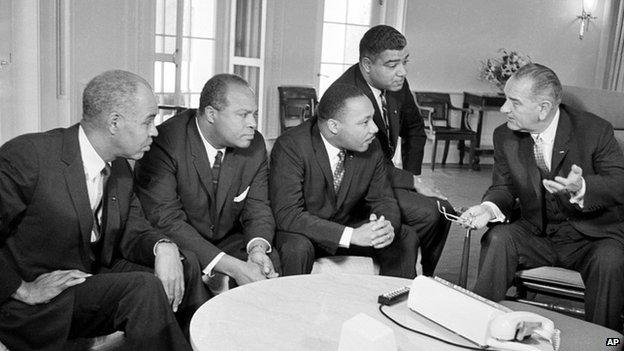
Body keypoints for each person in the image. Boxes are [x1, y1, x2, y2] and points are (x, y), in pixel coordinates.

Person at [0, 70, 206, 351]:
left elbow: (133, 229)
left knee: (186, 263)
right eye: (148, 121)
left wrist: (164, 246)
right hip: (45, 300)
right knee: (142, 290)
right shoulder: (29, 156)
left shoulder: (120, 167)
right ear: (114, 122)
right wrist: (23, 289)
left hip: (90, 274)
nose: (155, 131)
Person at [460, 63, 624, 331]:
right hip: (537, 234)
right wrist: (488, 209)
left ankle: (606, 342)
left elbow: (619, 183)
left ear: (544, 108)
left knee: (612, 261)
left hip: (592, 237)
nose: (503, 109)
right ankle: (479, 329)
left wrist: (582, 187)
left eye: (513, 102)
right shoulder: (505, 136)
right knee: (498, 238)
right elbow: (503, 188)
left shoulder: (595, 130)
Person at [134, 74, 279, 290]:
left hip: (227, 237)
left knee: (269, 262)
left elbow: (257, 208)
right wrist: (232, 267)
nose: (253, 124)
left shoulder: (254, 144)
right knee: (189, 269)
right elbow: (167, 220)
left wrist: (257, 249)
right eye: (243, 115)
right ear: (211, 114)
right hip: (180, 242)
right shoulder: (165, 143)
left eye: (254, 114)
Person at [329, 24, 451, 275]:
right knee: (432, 212)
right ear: (366, 64)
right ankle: (406, 273)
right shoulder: (346, 96)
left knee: (441, 209)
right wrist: (411, 181)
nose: (402, 72)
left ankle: (424, 275)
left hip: (384, 175)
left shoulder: (397, 85)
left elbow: (416, 130)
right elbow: (363, 159)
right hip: (357, 186)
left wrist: (413, 177)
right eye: (392, 64)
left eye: (405, 62)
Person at [271, 83, 419, 278]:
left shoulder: (371, 146)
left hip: (347, 225)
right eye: (364, 122)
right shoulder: (291, 146)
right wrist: (351, 235)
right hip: (305, 232)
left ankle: (394, 303)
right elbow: (289, 215)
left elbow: (383, 199)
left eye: (372, 119)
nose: (374, 129)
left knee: (405, 237)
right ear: (334, 126)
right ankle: (294, 307)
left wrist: (385, 226)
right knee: (296, 247)